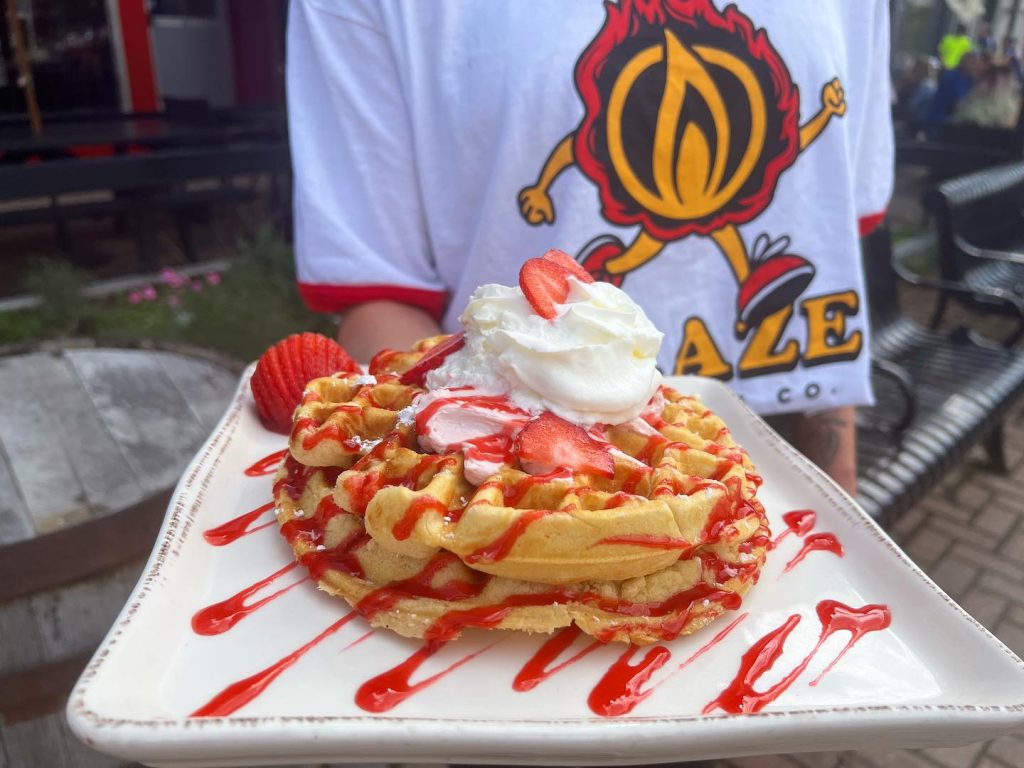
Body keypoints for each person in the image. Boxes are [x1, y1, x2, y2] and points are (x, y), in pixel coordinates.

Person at [287, 0, 894, 494]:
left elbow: (829, 236)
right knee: (617, 266)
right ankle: (592, 292)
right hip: (517, 471)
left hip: (790, 446)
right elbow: (377, 289)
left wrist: (839, 493)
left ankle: (711, 277)